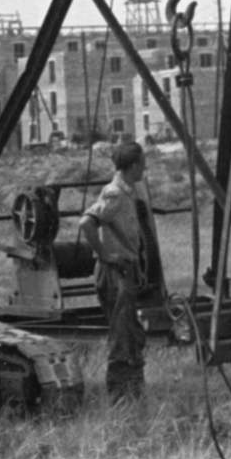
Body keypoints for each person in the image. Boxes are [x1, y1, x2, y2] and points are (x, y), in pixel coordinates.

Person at [79, 142, 152, 401]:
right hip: (114, 273)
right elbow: (87, 223)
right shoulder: (115, 194)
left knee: (132, 334)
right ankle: (120, 400)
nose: (145, 167)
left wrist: (137, 266)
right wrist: (105, 255)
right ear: (132, 165)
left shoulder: (128, 193)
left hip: (126, 269)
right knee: (121, 337)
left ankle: (135, 394)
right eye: (142, 163)